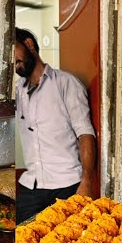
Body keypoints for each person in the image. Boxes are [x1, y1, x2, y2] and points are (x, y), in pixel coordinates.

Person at [12, 28, 98, 220]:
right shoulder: (18, 91)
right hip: (32, 184)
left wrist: (86, 181)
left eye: (13, 51)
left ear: (29, 44)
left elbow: (85, 133)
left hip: (66, 185)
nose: (12, 62)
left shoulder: (66, 84)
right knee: (19, 242)